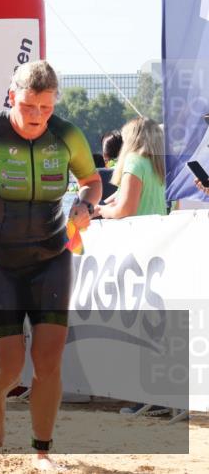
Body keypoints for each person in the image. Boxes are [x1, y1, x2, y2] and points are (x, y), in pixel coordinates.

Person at [0, 60, 102, 471]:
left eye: (46, 108)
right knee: (9, 364)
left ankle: (42, 451)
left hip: (51, 258)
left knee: (48, 361)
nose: (37, 116)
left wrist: (85, 204)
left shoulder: (67, 135)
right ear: (12, 97)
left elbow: (92, 181)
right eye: (28, 106)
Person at [91, 119, 170, 416]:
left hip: (136, 250)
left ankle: (147, 397)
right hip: (157, 248)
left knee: (137, 325)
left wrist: (100, 210)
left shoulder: (134, 162)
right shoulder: (156, 167)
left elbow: (125, 209)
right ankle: (159, 396)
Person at [93, 118, 167, 220]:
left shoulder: (134, 160)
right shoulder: (158, 165)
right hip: (159, 227)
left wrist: (103, 211)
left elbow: (126, 210)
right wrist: (102, 207)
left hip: (138, 228)